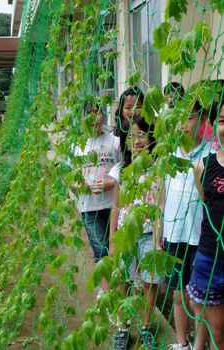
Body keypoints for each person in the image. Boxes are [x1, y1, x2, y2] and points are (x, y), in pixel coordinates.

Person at [109, 115, 160, 350]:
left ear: (151, 138)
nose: (137, 140)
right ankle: (123, 327)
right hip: (125, 236)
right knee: (124, 283)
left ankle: (146, 327)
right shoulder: (121, 170)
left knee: (150, 282)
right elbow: (116, 206)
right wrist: (112, 239)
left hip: (149, 235)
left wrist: (159, 241)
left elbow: (159, 208)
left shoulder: (157, 169)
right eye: (132, 135)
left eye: (142, 134)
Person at [162, 101, 209, 350]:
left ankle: (199, 345)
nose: (183, 124)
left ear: (202, 120)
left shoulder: (210, 153)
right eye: (179, 118)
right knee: (177, 294)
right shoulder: (168, 154)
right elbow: (162, 194)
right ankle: (181, 342)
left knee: (198, 300)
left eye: (190, 118)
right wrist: (160, 231)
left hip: (200, 236)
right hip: (173, 235)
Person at [187, 99, 224, 350]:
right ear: (212, 124)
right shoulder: (202, 166)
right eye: (222, 121)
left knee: (216, 331)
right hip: (210, 256)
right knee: (212, 327)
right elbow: (206, 203)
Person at [74, 103, 120, 287]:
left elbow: (123, 167)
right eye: (90, 113)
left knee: (116, 251)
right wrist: (81, 185)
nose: (95, 117)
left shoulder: (114, 141)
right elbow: (70, 176)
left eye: (98, 112)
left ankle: (119, 288)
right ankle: (106, 292)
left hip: (113, 205)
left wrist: (111, 182)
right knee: (101, 252)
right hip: (89, 207)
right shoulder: (76, 145)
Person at [114, 86, 145, 167]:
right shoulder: (114, 138)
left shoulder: (152, 132)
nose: (133, 111)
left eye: (138, 107)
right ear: (121, 110)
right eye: (128, 108)